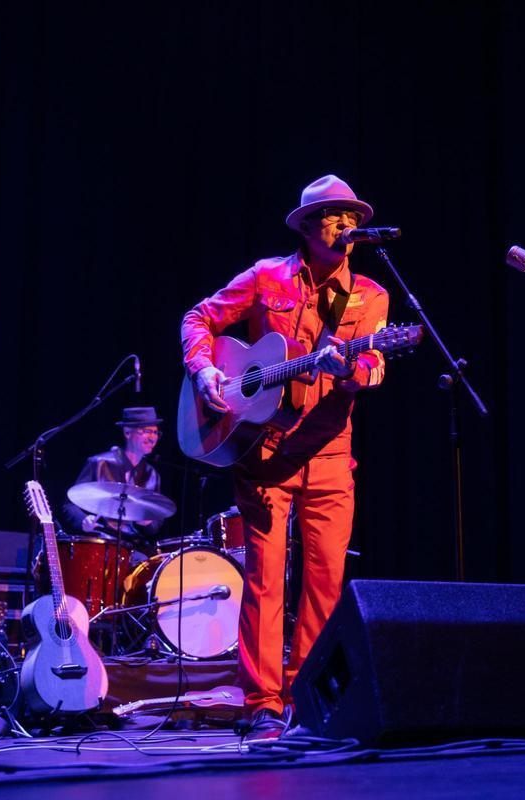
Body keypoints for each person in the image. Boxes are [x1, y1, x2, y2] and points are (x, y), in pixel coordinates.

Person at [180, 175, 390, 736]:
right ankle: (262, 703)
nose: (345, 223)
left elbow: (372, 367)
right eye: (332, 214)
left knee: (325, 580)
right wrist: (205, 373)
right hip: (263, 449)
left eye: (351, 215)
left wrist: (350, 369)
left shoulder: (371, 296)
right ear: (306, 225)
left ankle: (307, 695)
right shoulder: (265, 276)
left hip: (328, 452)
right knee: (266, 581)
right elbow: (198, 318)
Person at [60, 406, 166, 547]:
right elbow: (69, 505)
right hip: (100, 542)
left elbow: (155, 525)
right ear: (127, 432)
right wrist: (84, 521)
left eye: (155, 432)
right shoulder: (99, 463)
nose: (153, 438)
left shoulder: (152, 474)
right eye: (147, 431)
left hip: (134, 547)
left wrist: (147, 523)